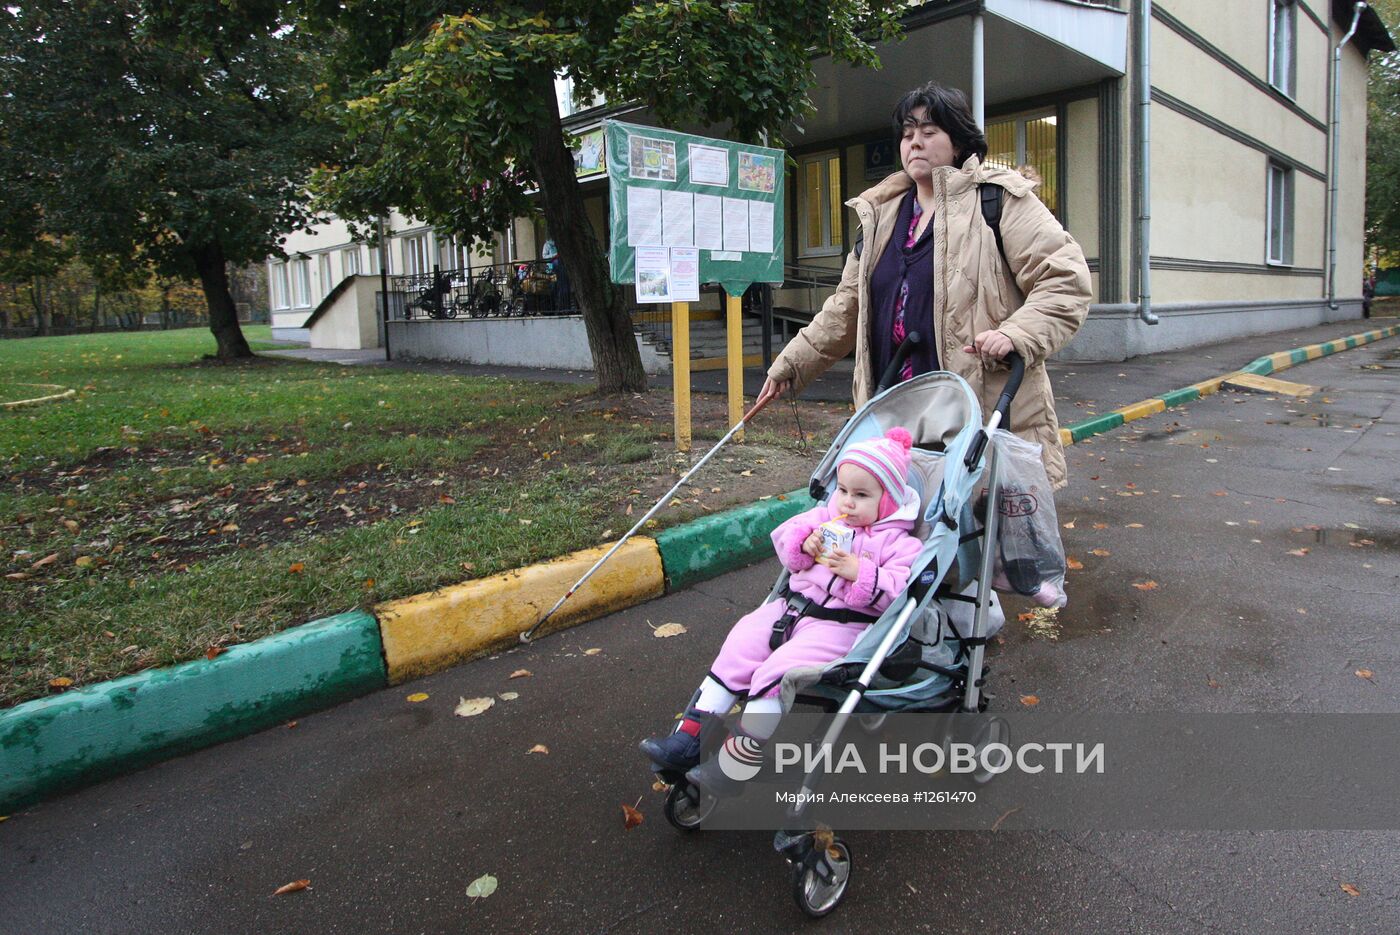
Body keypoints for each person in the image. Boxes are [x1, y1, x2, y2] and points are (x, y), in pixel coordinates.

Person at [755, 82, 1090, 489]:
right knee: (898, 539)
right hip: (893, 413)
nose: (915, 142)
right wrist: (793, 363)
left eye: (929, 132)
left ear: (959, 142)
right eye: (907, 133)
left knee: (976, 542)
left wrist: (1015, 335)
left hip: (975, 411)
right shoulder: (881, 215)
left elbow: (1065, 280)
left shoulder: (998, 201)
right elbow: (847, 305)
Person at [640, 428, 923, 793]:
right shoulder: (822, 518)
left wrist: (862, 573)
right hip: (792, 608)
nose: (848, 502)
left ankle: (736, 763)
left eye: (862, 495)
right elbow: (787, 544)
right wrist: (804, 544)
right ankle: (690, 737)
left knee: (776, 673)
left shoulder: (899, 543)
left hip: (843, 627)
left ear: (888, 501)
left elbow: (902, 592)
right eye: (843, 491)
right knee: (740, 641)